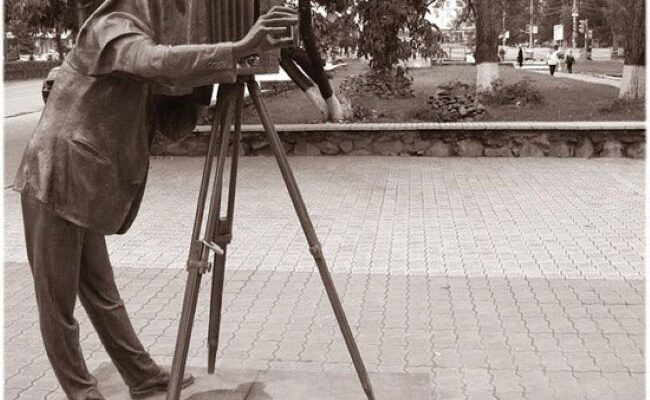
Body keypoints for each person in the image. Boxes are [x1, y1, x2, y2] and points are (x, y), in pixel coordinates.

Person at [13, 1, 298, 399]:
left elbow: (170, 125)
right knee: (57, 303)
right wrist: (236, 49)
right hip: (53, 176)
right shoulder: (110, 29)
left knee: (101, 292)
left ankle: (141, 375)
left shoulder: (139, 47)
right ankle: (81, 392)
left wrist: (208, 83)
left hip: (85, 182)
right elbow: (156, 61)